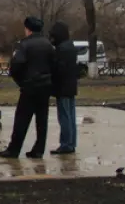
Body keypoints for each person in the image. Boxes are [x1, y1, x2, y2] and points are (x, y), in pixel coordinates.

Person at [0, 16, 55, 159]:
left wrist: (21, 82)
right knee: (42, 120)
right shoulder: (48, 44)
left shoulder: (24, 45)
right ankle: (38, 150)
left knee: (22, 119)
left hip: (30, 86)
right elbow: (54, 65)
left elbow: (16, 66)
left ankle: (14, 149)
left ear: (28, 29)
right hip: (45, 86)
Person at [49, 21, 78, 155]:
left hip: (63, 88)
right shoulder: (70, 47)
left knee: (64, 116)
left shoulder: (61, 49)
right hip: (71, 87)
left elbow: (59, 70)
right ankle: (71, 143)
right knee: (71, 116)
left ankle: (65, 144)